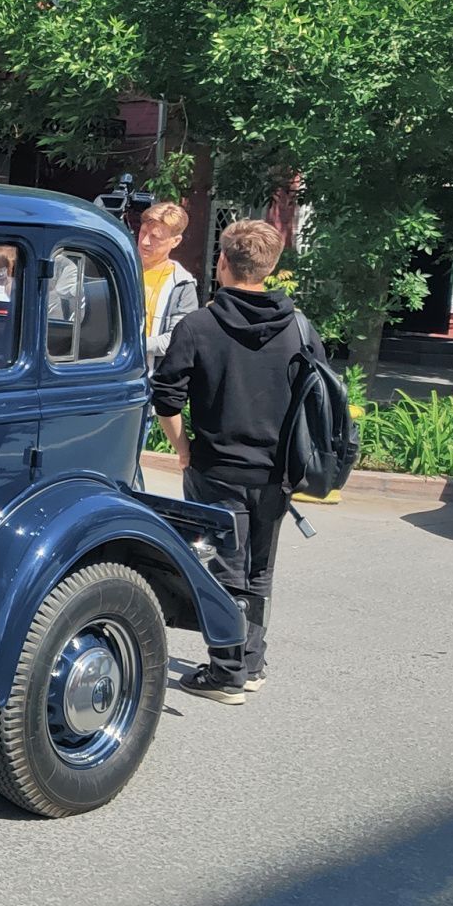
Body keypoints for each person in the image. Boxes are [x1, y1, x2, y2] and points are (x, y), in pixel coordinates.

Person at [152, 219, 308, 704]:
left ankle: (226, 673)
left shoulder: (199, 325)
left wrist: (182, 449)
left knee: (222, 570)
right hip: (275, 473)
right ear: (273, 267)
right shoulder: (300, 327)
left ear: (222, 262)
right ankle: (251, 663)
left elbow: (166, 399)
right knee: (258, 571)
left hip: (216, 467)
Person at [138, 201, 200, 366]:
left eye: (155, 237)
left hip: (151, 377)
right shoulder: (120, 266)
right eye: (143, 232)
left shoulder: (182, 284)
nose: (145, 242)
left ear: (175, 241)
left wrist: (131, 344)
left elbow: (176, 338)